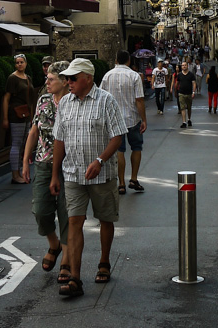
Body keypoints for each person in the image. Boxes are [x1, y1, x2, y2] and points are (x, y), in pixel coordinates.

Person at [50, 58, 127, 298]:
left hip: (102, 174)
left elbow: (117, 136)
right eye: (67, 78)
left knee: (105, 218)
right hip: (73, 173)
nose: (68, 82)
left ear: (88, 79)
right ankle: (75, 277)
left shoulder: (106, 100)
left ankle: (104, 261)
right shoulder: (65, 103)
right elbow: (59, 139)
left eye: (73, 78)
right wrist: (55, 174)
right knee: (74, 221)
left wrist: (100, 160)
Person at [22, 61, 70, 282]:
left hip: (69, 165)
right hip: (43, 162)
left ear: (64, 81)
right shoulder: (43, 100)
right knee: (40, 210)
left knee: (67, 213)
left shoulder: (73, 102)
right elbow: (34, 131)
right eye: (47, 78)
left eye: (51, 79)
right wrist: (25, 161)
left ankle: (67, 260)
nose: (47, 82)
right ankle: (54, 244)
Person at [100, 49, 147, 194]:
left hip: (114, 119)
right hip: (132, 118)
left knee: (119, 151)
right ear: (129, 61)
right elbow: (139, 99)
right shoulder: (134, 76)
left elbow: (101, 97)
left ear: (116, 60)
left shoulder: (107, 76)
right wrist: (144, 119)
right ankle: (133, 178)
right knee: (136, 147)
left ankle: (121, 183)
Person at [2, 53, 33, 183]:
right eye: (17, 62)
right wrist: (5, 118)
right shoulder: (12, 78)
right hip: (16, 114)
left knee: (23, 144)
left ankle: (20, 172)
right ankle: (15, 175)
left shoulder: (28, 78)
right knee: (16, 143)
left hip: (26, 114)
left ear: (25, 63)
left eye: (21, 62)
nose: (19, 64)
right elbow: (6, 98)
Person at [173, 60, 196, 128]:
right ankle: (184, 122)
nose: (184, 66)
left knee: (189, 107)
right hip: (181, 93)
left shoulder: (191, 74)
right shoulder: (179, 75)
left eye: (185, 65)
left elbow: (194, 84)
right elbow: (177, 83)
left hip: (189, 93)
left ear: (187, 66)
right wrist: (175, 91)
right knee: (182, 108)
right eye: (182, 65)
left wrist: (193, 92)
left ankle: (189, 119)